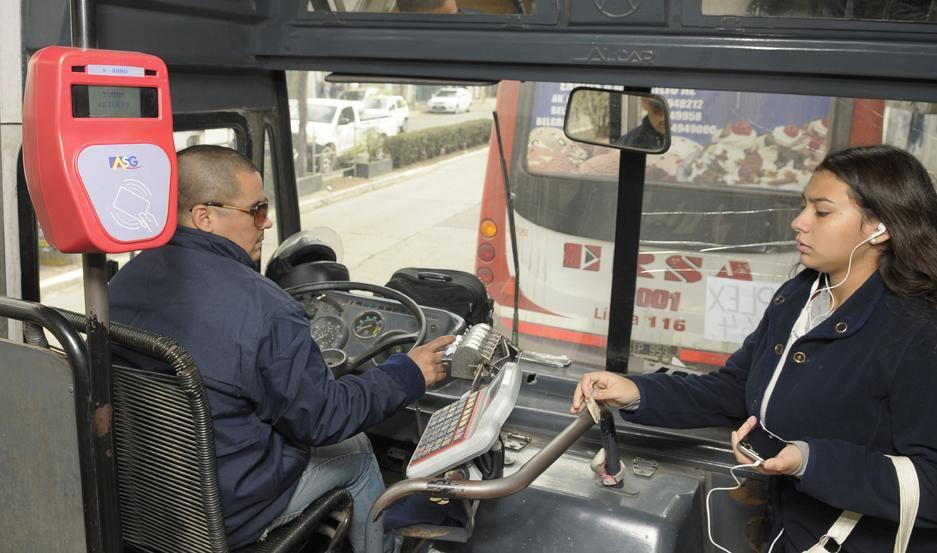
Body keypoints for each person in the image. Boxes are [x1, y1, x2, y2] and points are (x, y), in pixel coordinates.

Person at [571, 145, 937, 551]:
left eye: (822, 211)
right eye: (803, 207)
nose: (799, 223)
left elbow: (932, 483)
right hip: (786, 534)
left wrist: (810, 461)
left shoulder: (918, 332)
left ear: (878, 228)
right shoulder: (799, 296)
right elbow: (738, 388)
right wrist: (637, 391)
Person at [109, 145, 454, 553]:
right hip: (225, 513)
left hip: (143, 498)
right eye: (256, 211)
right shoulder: (267, 309)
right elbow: (324, 419)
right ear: (205, 217)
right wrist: (407, 374)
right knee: (357, 452)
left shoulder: (119, 285)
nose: (267, 222)